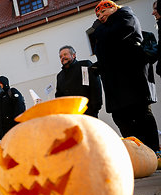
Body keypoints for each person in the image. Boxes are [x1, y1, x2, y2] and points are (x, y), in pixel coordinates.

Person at [91, 0, 159, 152]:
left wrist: (98, 29)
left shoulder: (126, 17)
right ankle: (137, 151)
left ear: (114, 8)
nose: (100, 16)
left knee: (142, 115)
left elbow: (115, 36)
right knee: (121, 117)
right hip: (115, 84)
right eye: (98, 14)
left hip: (132, 79)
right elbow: (105, 51)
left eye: (103, 12)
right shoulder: (104, 28)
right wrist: (98, 66)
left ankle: (154, 150)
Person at [56, 45, 102, 118]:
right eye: (60, 56)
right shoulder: (60, 76)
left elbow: (95, 86)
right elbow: (59, 96)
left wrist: (95, 107)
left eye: (65, 54)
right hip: (71, 116)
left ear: (73, 55)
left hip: (89, 112)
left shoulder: (84, 65)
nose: (62, 58)